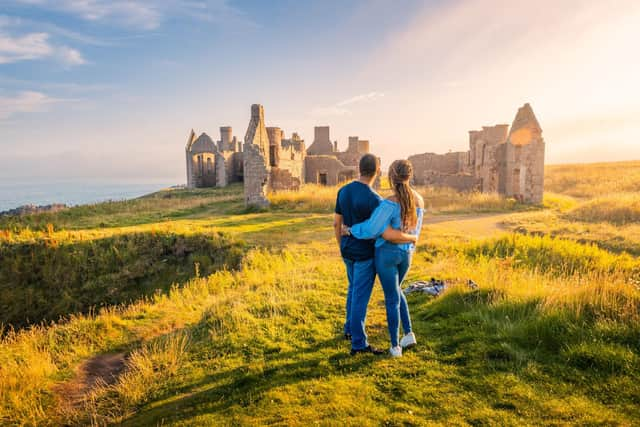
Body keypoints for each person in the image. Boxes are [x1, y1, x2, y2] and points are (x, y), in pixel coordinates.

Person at [334, 154, 417, 356]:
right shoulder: (375, 199)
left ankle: (349, 328)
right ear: (378, 171)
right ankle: (359, 343)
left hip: (347, 249)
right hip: (364, 254)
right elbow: (384, 232)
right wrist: (411, 238)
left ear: (358, 167)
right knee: (360, 298)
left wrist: (341, 244)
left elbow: (337, 223)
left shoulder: (343, 191)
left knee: (353, 289)